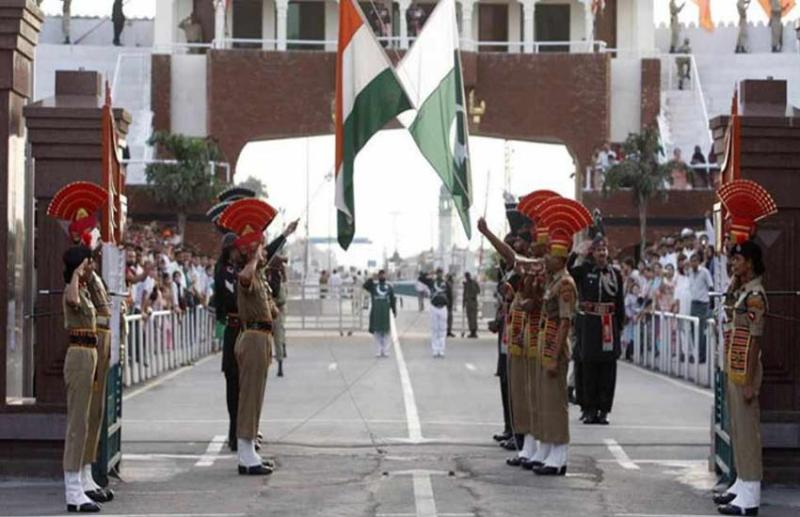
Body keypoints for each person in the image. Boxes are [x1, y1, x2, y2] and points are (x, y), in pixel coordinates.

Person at [713, 179, 777, 517]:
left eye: (737, 260)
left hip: (746, 367)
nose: (733, 264)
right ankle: (741, 483)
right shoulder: (741, 290)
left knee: (748, 431)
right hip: (735, 364)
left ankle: (751, 493)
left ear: (750, 263)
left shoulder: (754, 296)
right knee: (737, 427)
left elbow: (754, 338)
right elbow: (728, 307)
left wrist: (750, 379)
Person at [533, 197, 590, 476]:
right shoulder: (553, 280)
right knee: (546, 401)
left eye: (550, 256)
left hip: (556, 344)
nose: (545, 259)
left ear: (560, 259)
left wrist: (555, 356)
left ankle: (559, 454)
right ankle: (548, 448)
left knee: (556, 403)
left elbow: (566, 322)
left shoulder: (565, 283)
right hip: (546, 341)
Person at [569, 236, 624, 425]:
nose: (602, 253)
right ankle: (589, 408)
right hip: (589, 324)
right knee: (588, 367)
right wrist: (576, 254)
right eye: (598, 250)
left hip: (609, 324)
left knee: (608, 369)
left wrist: (619, 327)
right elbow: (567, 273)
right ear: (592, 253)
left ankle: (604, 409)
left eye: (604, 250)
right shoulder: (584, 270)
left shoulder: (615, 274)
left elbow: (619, 303)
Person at [363, 269, 397, 358]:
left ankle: (385, 350)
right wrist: (371, 278)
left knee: (386, 332)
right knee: (377, 332)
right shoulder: (373, 286)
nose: (382, 276)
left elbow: (392, 299)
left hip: (385, 312)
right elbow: (365, 286)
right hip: (376, 312)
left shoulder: (389, 287)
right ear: (378, 276)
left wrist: (394, 310)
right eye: (380, 275)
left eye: (383, 275)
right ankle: (378, 350)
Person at [688, 252, 713, 364]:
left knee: (701, 331)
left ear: (698, 262)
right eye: (691, 261)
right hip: (694, 303)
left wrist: (711, 304)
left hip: (703, 304)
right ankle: (696, 353)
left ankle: (702, 355)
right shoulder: (690, 272)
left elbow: (711, 286)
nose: (693, 263)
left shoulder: (704, 272)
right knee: (693, 329)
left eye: (695, 261)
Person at [421, 268, 450, 358]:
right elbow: (421, 278)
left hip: (443, 308)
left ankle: (441, 350)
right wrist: (428, 272)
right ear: (436, 274)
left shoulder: (446, 283)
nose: (439, 275)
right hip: (434, 307)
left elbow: (450, 295)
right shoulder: (431, 282)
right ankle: (435, 350)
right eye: (438, 273)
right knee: (434, 329)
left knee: (442, 330)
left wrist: (449, 307)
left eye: (441, 273)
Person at [462, 272, 481, 338]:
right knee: (470, 317)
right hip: (468, 302)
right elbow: (464, 294)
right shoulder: (466, 284)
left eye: (467, 276)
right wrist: (463, 303)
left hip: (473, 301)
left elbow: (478, 291)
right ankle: (471, 331)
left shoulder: (474, 283)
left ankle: (474, 332)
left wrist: (471, 286)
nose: (467, 278)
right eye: (466, 277)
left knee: (473, 317)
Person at [445, 273, 456, 337]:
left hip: (449, 304)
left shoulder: (449, 284)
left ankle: (448, 331)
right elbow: (449, 295)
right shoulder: (448, 284)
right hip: (448, 304)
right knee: (448, 318)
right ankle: (448, 331)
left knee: (449, 318)